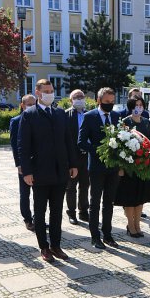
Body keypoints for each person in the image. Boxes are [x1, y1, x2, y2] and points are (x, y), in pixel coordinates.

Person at [18, 79, 78, 263]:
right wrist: (26, 172)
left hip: (59, 171)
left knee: (57, 211)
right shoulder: (29, 115)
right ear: (37, 93)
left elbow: (68, 141)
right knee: (40, 210)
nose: (50, 94)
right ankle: (44, 247)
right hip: (39, 172)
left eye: (51, 90)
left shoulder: (60, 113)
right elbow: (23, 146)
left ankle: (56, 245)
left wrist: (73, 164)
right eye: (46, 91)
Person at [78, 87, 120, 249]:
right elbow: (81, 142)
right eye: (107, 102)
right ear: (99, 100)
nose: (110, 104)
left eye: (112, 102)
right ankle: (95, 237)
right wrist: (99, 150)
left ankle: (108, 234)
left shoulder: (116, 116)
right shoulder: (89, 117)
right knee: (95, 202)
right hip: (96, 167)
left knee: (109, 202)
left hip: (113, 168)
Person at [114, 95, 150, 237]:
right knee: (130, 198)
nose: (139, 107)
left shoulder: (147, 122)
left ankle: (137, 224)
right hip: (129, 167)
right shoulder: (125, 122)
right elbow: (119, 146)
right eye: (136, 105)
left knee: (140, 198)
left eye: (141, 105)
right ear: (131, 107)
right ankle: (130, 225)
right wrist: (121, 168)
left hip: (143, 167)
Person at [10, 94, 36, 232]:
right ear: (22, 105)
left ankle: (38, 218)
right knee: (25, 193)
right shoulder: (16, 121)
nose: (31, 106)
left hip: (39, 162)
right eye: (29, 104)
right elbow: (15, 144)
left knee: (39, 192)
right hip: (24, 163)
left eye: (34, 104)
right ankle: (27, 218)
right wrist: (19, 164)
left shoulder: (39, 118)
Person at [65, 89, 89, 225]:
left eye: (81, 96)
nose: (79, 99)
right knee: (71, 186)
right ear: (71, 100)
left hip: (86, 157)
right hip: (72, 157)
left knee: (85, 185)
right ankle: (71, 213)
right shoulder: (66, 115)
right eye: (76, 97)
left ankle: (83, 211)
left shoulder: (89, 114)